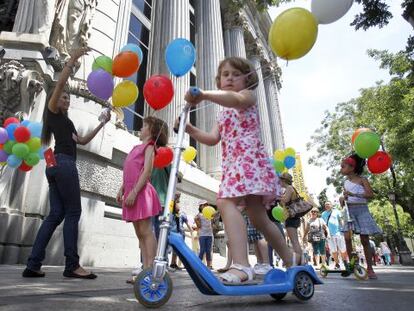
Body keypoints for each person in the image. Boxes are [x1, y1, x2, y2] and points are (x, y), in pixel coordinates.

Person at [179, 56, 300, 284]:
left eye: (236, 74)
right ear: (219, 80)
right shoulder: (222, 112)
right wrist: (190, 129)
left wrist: (203, 94)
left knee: (227, 203)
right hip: (234, 165)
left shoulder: (247, 97)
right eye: (225, 74)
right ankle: (290, 258)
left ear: (248, 79)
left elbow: (235, 99)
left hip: (249, 162)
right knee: (259, 218)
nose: (230, 78)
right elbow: (212, 138)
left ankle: (242, 266)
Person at [22, 47, 110, 279]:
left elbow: (82, 141)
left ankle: (32, 264)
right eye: (64, 97)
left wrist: (102, 123)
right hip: (63, 164)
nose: (66, 98)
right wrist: (73, 58)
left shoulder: (67, 123)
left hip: (54, 166)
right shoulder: (53, 113)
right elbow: (59, 84)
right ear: (55, 99)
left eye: (68, 97)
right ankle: (72, 265)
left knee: (56, 214)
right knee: (73, 212)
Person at [117, 117, 166, 278]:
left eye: (145, 125)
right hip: (132, 191)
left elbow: (146, 171)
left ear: (152, 132)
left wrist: (134, 192)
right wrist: (122, 189)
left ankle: (150, 267)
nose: (141, 127)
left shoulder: (150, 147)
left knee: (146, 231)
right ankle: (145, 267)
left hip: (141, 191)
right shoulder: (136, 147)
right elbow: (129, 170)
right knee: (139, 233)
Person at [340, 154, 382, 279]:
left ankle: (370, 268)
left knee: (364, 240)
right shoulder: (345, 182)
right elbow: (345, 199)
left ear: (352, 167)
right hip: (349, 210)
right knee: (347, 238)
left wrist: (354, 194)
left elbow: (370, 195)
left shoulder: (363, 179)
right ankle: (354, 265)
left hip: (362, 210)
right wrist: (342, 199)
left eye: (343, 166)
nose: (341, 169)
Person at [279, 173, 303, 261]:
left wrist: (278, 196)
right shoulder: (290, 189)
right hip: (293, 217)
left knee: (294, 241)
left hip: (291, 217)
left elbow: (285, 200)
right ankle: (301, 260)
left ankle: (300, 260)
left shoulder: (289, 188)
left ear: (284, 180)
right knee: (294, 240)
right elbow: (284, 203)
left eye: (280, 180)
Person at [321, 201, 348, 269]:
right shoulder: (323, 214)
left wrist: (344, 229)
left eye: (328, 204)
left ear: (331, 205)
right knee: (333, 250)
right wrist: (325, 233)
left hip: (339, 233)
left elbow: (341, 220)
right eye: (325, 204)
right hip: (329, 234)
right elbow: (323, 224)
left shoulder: (336, 211)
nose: (327, 205)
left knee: (342, 248)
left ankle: (345, 262)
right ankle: (337, 264)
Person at [169, 192, 192, 270]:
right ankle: (172, 263)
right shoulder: (172, 209)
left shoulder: (180, 214)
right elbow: (175, 207)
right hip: (174, 231)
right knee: (173, 248)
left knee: (177, 249)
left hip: (178, 231)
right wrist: (176, 199)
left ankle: (173, 263)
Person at [195, 203, 214, 269]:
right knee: (202, 250)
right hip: (202, 235)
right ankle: (198, 264)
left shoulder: (210, 214)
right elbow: (199, 226)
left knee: (208, 250)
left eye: (206, 204)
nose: (205, 206)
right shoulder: (199, 215)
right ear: (200, 206)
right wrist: (196, 220)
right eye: (204, 205)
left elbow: (213, 221)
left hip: (209, 234)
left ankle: (209, 265)